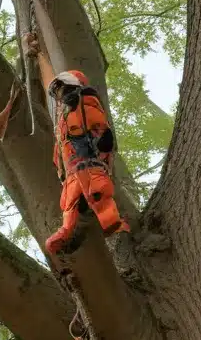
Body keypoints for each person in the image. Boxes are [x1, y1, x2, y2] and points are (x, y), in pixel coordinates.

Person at [23, 31, 129, 256]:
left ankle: (115, 224)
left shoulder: (85, 100)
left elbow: (98, 124)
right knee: (69, 200)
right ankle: (67, 231)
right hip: (71, 166)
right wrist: (59, 166)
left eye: (61, 88)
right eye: (57, 91)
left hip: (89, 158)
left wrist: (103, 141)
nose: (59, 94)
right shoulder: (63, 115)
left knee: (97, 190)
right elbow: (60, 144)